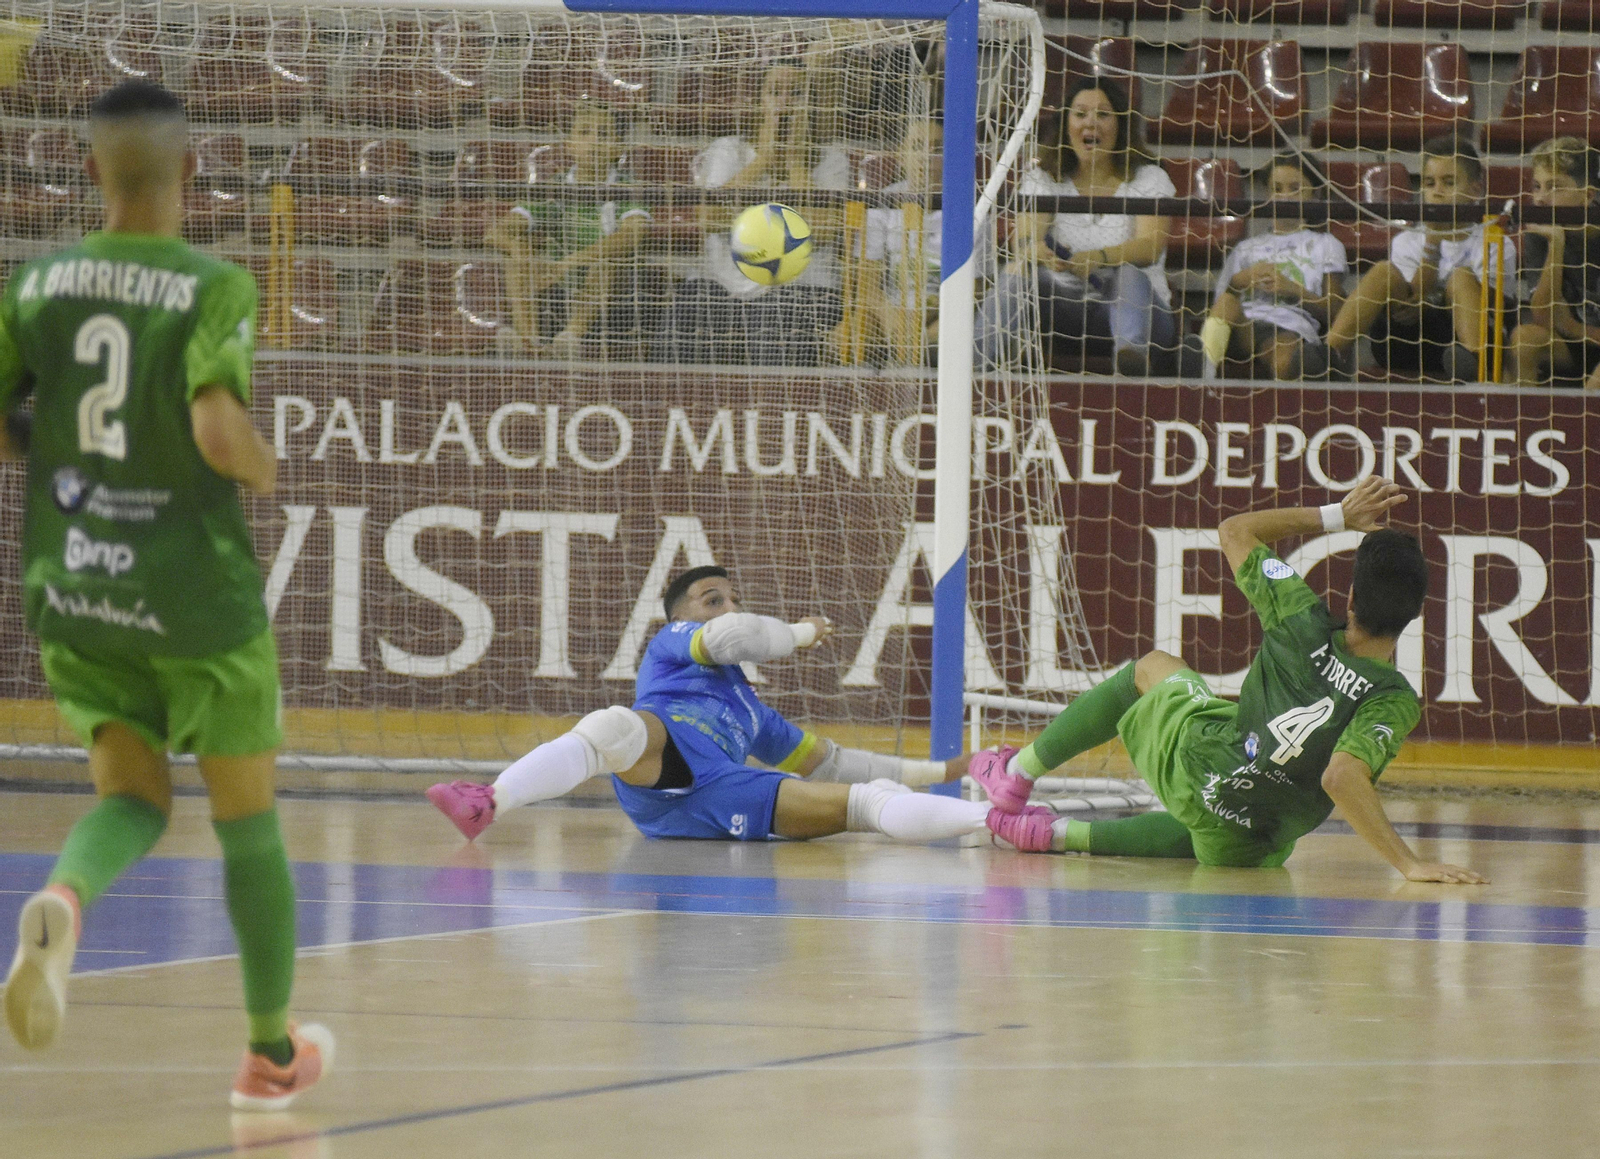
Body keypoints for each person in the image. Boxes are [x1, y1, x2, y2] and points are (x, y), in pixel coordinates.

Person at [0, 81, 334, 1107]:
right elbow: (216, 431)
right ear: (191, 170)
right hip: (194, 599)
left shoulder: (35, 286)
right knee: (248, 826)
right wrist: (264, 465)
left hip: (77, 587)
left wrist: (53, 451)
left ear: (90, 169)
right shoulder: (212, 285)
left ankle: (62, 896)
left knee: (132, 797)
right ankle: (269, 1056)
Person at [977, 477, 1486, 885]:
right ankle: (1056, 834)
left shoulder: (1300, 617)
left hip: (1198, 769)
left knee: (1153, 667)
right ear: (1416, 615)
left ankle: (1017, 773)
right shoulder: (1393, 699)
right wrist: (1409, 864)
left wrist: (1339, 516)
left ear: (1350, 599)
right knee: (1231, 821)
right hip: (1249, 843)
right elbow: (1340, 775)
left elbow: (1236, 530)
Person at [427, 565, 988, 845]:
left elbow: (832, 761)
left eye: (732, 599)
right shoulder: (674, 643)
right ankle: (489, 801)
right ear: (682, 614)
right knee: (614, 725)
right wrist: (802, 631)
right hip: (658, 766)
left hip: (720, 790)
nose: (726, 608)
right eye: (711, 599)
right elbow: (732, 636)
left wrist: (942, 771)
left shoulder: (751, 710)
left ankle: (1008, 825)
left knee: (871, 798)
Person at [977, 78, 1177, 376]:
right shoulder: (1043, 177)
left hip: (1141, 314)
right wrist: (1039, 252)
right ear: (1065, 124)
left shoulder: (1149, 177)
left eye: (1103, 115)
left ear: (1121, 125)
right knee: (1019, 271)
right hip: (1064, 308)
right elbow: (1026, 237)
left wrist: (1099, 257)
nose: (1091, 123)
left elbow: (1149, 247)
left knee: (1127, 271)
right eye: (1080, 114)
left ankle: (1131, 360)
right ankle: (973, 359)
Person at [666, 62, 850, 367]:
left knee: (777, 311)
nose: (785, 102)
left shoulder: (832, 160)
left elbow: (828, 230)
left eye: (796, 93)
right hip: (724, 286)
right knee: (691, 301)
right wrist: (762, 161)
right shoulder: (728, 150)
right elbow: (709, 218)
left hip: (801, 288)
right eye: (774, 92)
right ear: (758, 101)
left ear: (812, 104)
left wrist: (794, 162)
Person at [1325, 134, 1515, 384]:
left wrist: (1432, 301)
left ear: (1475, 189)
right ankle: (1329, 354)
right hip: (1408, 339)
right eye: (1429, 183)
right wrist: (1433, 242)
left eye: (1449, 183)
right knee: (1383, 271)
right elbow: (1411, 301)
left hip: (1461, 341)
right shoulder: (1406, 240)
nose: (1437, 192)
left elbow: (1493, 309)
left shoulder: (1496, 241)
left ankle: (1473, 362)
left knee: (1462, 276)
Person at [485, 101, 654, 359]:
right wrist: (517, 248)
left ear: (618, 148)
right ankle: (529, 342)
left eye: (604, 134)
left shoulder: (627, 187)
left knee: (607, 259)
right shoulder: (556, 186)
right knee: (514, 259)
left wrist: (567, 263)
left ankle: (570, 338)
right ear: (570, 145)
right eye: (585, 132)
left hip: (614, 294)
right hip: (558, 288)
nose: (594, 141)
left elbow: (632, 234)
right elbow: (496, 233)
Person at [1191, 154, 1347, 381]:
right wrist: (1239, 281)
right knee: (1227, 304)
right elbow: (1219, 305)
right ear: (1267, 194)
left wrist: (1293, 290)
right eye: (1277, 188)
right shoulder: (1246, 248)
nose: (1285, 197)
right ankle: (1199, 374)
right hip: (1241, 326)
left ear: (1315, 194)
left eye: (1295, 189)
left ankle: (1302, 369)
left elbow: (1335, 311)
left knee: (1283, 349)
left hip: (1290, 327)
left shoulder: (1326, 244)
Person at [834, 117, 944, 367]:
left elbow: (978, 287)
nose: (926, 156)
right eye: (917, 146)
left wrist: (927, 316)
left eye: (936, 148)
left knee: (934, 341)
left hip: (945, 312)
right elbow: (867, 284)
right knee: (845, 338)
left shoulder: (970, 208)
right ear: (901, 154)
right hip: (890, 309)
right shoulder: (883, 202)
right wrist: (893, 319)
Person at [1507, 137, 1600, 389]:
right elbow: (1543, 317)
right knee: (1524, 338)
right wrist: (1555, 245)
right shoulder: (1540, 232)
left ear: (1587, 195)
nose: (1540, 199)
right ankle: (1520, 423)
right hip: (1570, 346)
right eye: (1537, 187)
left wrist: (1569, 326)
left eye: (1554, 187)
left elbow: (1563, 322)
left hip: (1588, 338)